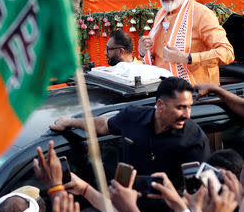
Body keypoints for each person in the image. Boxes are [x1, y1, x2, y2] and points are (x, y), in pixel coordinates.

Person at [50, 77, 210, 189]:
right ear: (160, 104)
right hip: (127, 207)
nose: (187, 114)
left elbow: (198, 191)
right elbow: (103, 125)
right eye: (180, 107)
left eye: (189, 107)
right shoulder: (133, 116)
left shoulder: (194, 139)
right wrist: (70, 121)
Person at [138, 0, 234, 85]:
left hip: (195, 92)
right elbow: (160, 56)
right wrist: (143, 51)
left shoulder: (201, 14)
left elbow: (227, 53)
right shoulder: (161, 14)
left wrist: (187, 58)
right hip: (162, 88)